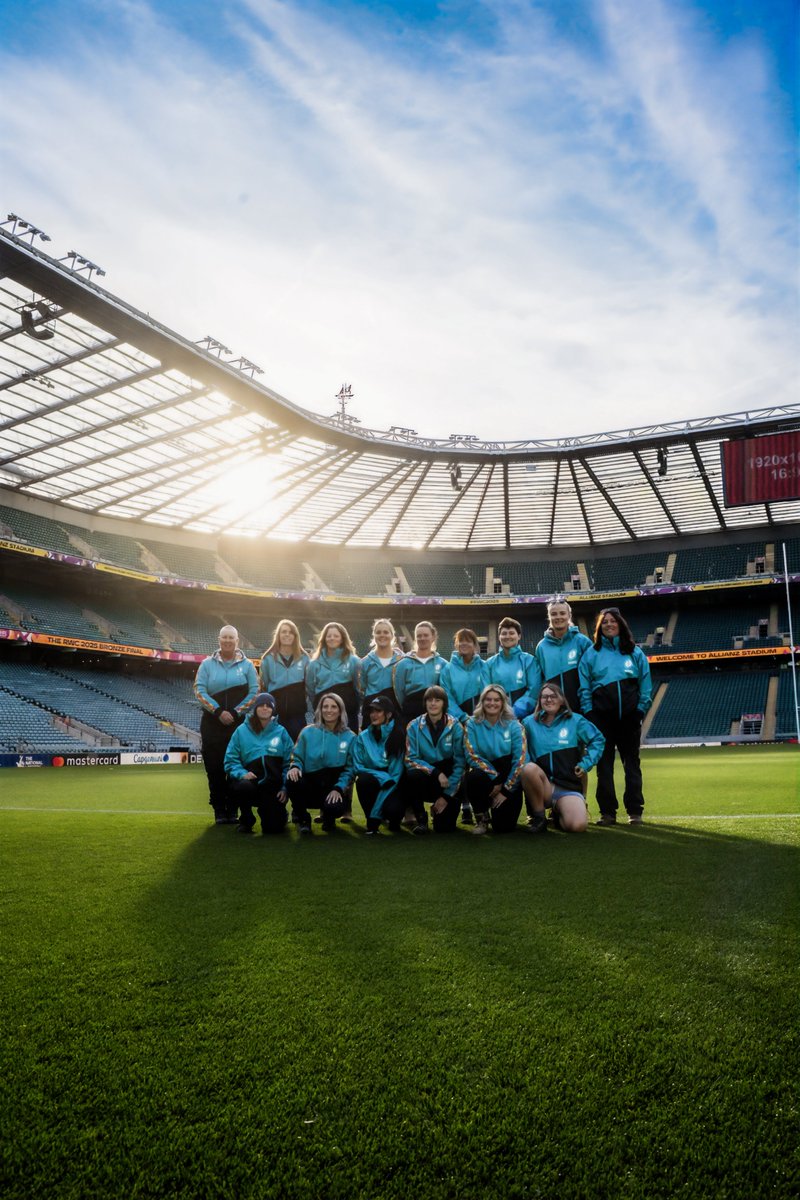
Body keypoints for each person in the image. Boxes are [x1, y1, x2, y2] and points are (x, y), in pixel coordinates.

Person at [578, 607, 652, 826]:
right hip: (602, 720)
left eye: (613, 621)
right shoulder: (591, 653)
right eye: (605, 622)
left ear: (620, 624)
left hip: (629, 719)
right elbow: (584, 688)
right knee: (604, 767)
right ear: (599, 627)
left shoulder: (634, 652)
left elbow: (645, 685)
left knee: (632, 766)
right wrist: (590, 713)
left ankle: (634, 811)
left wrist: (640, 710)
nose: (609, 624)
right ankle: (608, 812)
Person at [194, 624, 259, 823]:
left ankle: (233, 808)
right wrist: (218, 711)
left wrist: (236, 712)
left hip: (238, 725)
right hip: (212, 723)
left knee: (236, 767)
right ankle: (219, 809)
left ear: (237, 641)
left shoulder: (247, 666)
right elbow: (199, 690)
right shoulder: (206, 664)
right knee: (214, 769)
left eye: (231, 637)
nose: (228, 641)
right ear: (219, 640)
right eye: (225, 637)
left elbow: (255, 691)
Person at [520, 683, 605, 835]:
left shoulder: (576, 721)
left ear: (561, 700)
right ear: (539, 701)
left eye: (553, 696)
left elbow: (598, 739)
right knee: (528, 769)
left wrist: (585, 764)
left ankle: (558, 814)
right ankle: (539, 818)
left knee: (577, 826)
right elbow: (522, 752)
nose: (549, 700)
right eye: (544, 696)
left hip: (568, 786)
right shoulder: (528, 723)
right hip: (545, 786)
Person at [223, 692, 294, 835]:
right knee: (242, 786)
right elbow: (230, 760)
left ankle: (279, 813)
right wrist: (242, 774)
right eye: (261, 705)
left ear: (273, 709)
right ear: (255, 708)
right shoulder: (241, 731)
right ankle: (246, 819)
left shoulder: (281, 732)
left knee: (274, 829)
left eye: (269, 706)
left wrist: (284, 788)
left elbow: (289, 763)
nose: (265, 708)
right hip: (251, 783)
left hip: (272, 786)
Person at [286, 693, 355, 833]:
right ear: (320, 709)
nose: (329, 710)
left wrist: (339, 788)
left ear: (340, 710)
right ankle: (303, 819)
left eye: (334, 707)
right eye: (325, 706)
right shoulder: (307, 732)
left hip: (333, 787)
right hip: (310, 783)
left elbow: (351, 768)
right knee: (291, 779)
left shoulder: (350, 737)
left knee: (334, 808)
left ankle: (329, 818)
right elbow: (296, 756)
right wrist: (295, 766)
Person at [463, 684, 527, 835]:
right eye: (488, 699)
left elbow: (520, 761)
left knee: (503, 828)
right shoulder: (471, 724)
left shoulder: (515, 726)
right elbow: (471, 755)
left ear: (503, 702)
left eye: (497, 700)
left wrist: (504, 790)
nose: (492, 703)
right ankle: (482, 818)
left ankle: (498, 809)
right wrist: (496, 779)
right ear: (482, 702)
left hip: (508, 781)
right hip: (486, 777)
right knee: (472, 777)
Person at [403, 686, 466, 834]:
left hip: (448, 782)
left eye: (437, 700)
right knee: (412, 775)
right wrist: (436, 772)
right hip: (427, 778)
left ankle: (441, 809)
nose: (433, 704)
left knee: (444, 829)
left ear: (444, 703)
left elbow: (460, 765)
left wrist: (445, 796)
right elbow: (410, 759)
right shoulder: (413, 726)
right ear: (424, 703)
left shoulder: (456, 726)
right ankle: (421, 818)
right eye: (429, 700)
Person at [439, 628, 486, 824]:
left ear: (475, 645)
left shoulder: (484, 666)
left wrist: (479, 717)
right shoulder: (448, 669)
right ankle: (463, 806)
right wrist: (463, 718)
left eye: (468, 641)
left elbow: (489, 690)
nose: (464, 644)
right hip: (457, 721)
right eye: (460, 641)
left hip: (481, 722)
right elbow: (446, 696)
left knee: (478, 765)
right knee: (459, 763)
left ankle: (481, 809)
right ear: (456, 645)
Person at [351, 695, 406, 835]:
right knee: (363, 780)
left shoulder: (399, 736)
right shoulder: (362, 737)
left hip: (393, 784)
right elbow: (357, 767)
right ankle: (371, 817)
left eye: (378, 711)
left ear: (388, 714)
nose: (373, 715)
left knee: (394, 812)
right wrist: (381, 775)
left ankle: (383, 818)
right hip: (375, 781)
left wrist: (376, 815)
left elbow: (394, 776)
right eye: (371, 711)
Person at [532, 599, 593, 715]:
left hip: (582, 710)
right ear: (549, 617)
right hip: (554, 712)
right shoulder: (541, 647)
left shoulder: (583, 642)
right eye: (553, 614)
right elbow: (541, 680)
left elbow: (592, 675)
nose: (558, 617)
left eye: (562, 613)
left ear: (569, 615)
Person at [258, 618, 310, 741]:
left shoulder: (305, 659)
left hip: (298, 715)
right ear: (278, 635)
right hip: (275, 715)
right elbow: (264, 686)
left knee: (296, 752)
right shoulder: (267, 659)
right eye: (284, 632)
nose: (287, 634)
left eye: (290, 632)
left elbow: (309, 687)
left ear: (295, 636)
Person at [306, 622, 361, 732]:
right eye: (329, 636)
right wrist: (320, 704)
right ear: (324, 639)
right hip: (324, 714)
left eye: (336, 636)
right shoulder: (314, 663)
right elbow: (310, 689)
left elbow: (358, 688)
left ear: (342, 638)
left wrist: (352, 704)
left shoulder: (353, 661)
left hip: (348, 714)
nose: (332, 638)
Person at [392, 620, 448, 723]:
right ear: (415, 638)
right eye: (419, 636)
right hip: (410, 713)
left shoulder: (443, 664)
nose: (422, 638)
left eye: (426, 635)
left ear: (433, 637)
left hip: (435, 712)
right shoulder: (403, 664)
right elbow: (399, 693)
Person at [485, 617, 541, 717]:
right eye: (504, 633)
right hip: (497, 717)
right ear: (499, 637)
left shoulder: (529, 660)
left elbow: (534, 691)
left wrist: (515, 711)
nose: (507, 636)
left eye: (511, 633)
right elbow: (486, 691)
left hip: (525, 717)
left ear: (519, 636)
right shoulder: (489, 664)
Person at [359, 618, 404, 709]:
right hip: (371, 711)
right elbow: (362, 687)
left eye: (386, 632)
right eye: (378, 632)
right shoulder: (365, 662)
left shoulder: (402, 661)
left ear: (392, 635)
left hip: (395, 711)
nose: (382, 635)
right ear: (374, 635)